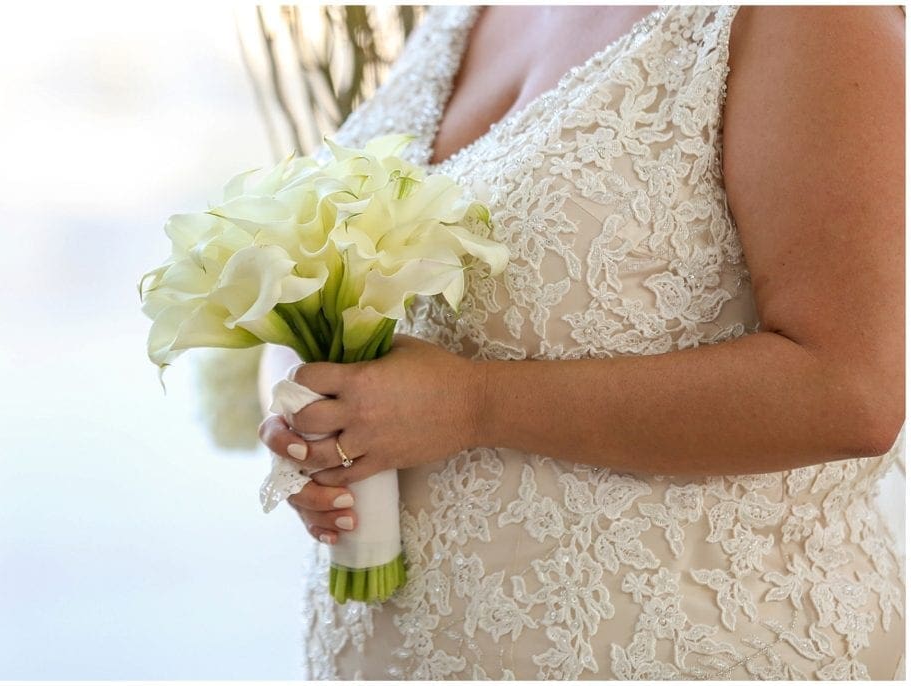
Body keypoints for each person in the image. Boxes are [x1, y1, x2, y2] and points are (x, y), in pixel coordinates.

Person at [257, 5, 905, 680]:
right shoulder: (462, 13)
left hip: (681, 649)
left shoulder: (810, 18)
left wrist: (475, 405)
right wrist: (312, 425)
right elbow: (332, 264)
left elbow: (849, 390)